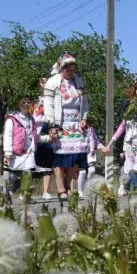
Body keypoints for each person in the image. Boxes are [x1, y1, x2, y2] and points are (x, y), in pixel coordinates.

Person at [43, 53, 89, 199]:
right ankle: (61, 189)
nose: (71, 73)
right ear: (62, 68)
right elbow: (48, 104)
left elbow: (85, 102)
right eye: (69, 70)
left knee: (75, 156)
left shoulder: (78, 81)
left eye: (73, 70)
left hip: (75, 123)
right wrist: (52, 124)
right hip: (60, 123)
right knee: (60, 156)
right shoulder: (53, 82)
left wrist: (84, 117)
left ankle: (68, 185)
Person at [105, 80, 137, 196]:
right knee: (128, 165)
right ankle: (123, 186)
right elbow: (121, 128)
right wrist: (110, 144)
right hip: (129, 141)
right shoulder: (128, 107)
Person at [2, 98, 38, 195]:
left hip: (28, 150)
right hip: (13, 150)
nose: (26, 106)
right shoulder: (11, 119)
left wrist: (46, 138)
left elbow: (34, 135)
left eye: (28, 104)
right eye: (23, 104)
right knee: (9, 172)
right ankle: (6, 193)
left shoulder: (31, 119)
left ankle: (25, 195)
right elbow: (7, 136)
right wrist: (7, 152)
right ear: (19, 105)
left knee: (28, 172)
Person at [33, 78, 56, 200]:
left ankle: (46, 191)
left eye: (46, 81)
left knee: (47, 161)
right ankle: (27, 191)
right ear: (39, 85)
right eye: (42, 82)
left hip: (46, 130)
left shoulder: (52, 98)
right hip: (33, 133)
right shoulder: (33, 99)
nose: (45, 84)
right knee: (31, 163)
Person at [77, 120, 106, 197]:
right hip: (80, 152)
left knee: (92, 170)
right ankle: (80, 191)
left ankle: (87, 187)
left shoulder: (91, 129)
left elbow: (97, 141)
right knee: (82, 172)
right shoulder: (77, 127)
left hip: (90, 153)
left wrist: (103, 148)